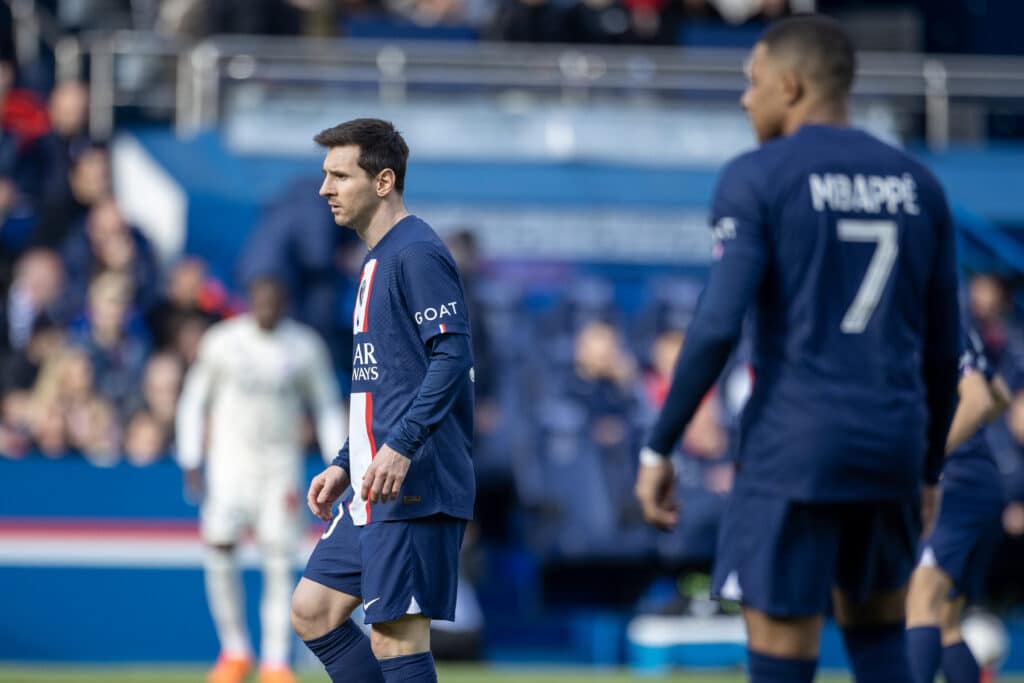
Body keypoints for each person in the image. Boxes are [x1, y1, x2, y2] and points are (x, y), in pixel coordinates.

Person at [634, 15, 960, 683]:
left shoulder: (757, 176)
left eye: (752, 83)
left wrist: (658, 444)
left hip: (794, 448)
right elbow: (943, 349)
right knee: (880, 640)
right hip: (891, 447)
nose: (744, 98)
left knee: (784, 652)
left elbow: (719, 323)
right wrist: (928, 469)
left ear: (790, 84)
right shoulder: (919, 184)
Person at [289, 118, 475, 683]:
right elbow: (384, 382)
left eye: (339, 176)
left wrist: (399, 447)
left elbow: (452, 359)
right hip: (375, 479)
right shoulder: (377, 258)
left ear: (383, 181)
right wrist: (348, 461)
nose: (325, 189)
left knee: (396, 639)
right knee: (313, 611)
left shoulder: (416, 253)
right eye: (325, 175)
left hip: (415, 482)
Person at [175, 276, 347, 683]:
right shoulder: (223, 342)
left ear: (285, 302)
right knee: (219, 548)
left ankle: (274, 661)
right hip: (229, 466)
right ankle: (234, 651)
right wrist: (190, 457)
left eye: (274, 300)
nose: (267, 306)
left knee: (278, 559)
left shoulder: (303, 347)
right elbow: (194, 399)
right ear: (249, 300)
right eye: (260, 299)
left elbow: (325, 405)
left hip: (279, 469)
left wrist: (338, 462)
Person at [905, 322, 1010, 683]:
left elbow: (979, 399)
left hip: (954, 485)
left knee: (919, 603)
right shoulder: (956, 324)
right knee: (945, 620)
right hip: (979, 482)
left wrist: (933, 458)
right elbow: (1001, 397)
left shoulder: (922, 325)